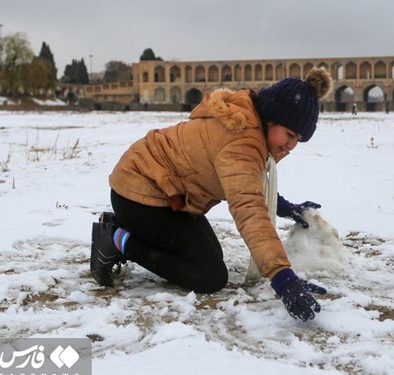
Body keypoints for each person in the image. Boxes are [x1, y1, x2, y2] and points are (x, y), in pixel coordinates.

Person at [90, 68, 333, 322]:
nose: (291, 145)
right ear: (271, 118)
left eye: (299, 139)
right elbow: (248, 208)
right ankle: (116, 240)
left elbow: (246, 184)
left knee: (210, 258)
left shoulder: (247, 120)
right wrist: (284, 280)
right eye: (290, 135)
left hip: (162, 194)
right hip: (140, 195)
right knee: (208, 276)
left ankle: (123, 226)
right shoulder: (241, 141)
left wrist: (285, 207)